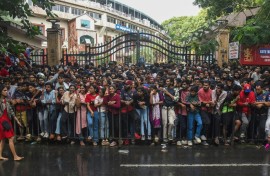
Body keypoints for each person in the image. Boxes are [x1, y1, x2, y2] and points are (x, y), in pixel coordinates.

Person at [0, 85, 24, 161]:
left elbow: (11, 111)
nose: (6, 91)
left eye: (7, 90)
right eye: (4, 90)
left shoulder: (6, 100)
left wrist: (17, 121)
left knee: (3, 139)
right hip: (2, 121)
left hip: (7, 120)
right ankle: (15, 156)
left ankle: (0, 155)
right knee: (11, 138)